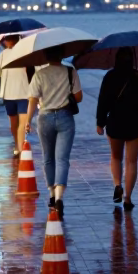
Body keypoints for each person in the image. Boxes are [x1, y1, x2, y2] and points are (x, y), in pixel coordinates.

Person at [26, 48, 84, 219]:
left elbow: (33, 100)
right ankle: (59, 196)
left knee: (48, 158)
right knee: (62, 159)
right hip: (65, 117)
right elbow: (78, 97)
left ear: (46, 56)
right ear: (62, 55)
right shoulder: (70, 71)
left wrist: (28, 121)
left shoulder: (39, 74)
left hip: (45, 118)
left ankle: (51, 196)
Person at [95, 46, 138, 210]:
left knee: (116, 157)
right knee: (132, 161)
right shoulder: (137, 76)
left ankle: (117, 185)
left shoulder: (110, 76)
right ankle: (127, 198)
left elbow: (103, 101)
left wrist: (100, 122)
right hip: (135, 122)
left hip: (115, 121)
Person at [0, 35, 33, 156]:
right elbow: (33, 70)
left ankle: (18, 147)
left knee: (14, 123)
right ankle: (19, 147)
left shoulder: (1, 55)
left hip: (8, 93)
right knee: (21, 123)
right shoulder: (26, 53)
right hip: (24, 92)